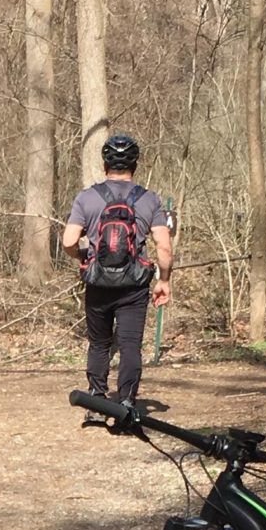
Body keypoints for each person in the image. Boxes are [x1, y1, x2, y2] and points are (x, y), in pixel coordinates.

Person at [61, 133, 175, 413]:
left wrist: (84, 257)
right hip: (133, 286)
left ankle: (97, 401)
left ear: (105, 165)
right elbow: (164, 247)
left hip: (98, 283)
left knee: (99, 343)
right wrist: (164, 280)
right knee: (129, 344)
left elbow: (68, 241)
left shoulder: (87, 198)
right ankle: (126, 404)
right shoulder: (149, 200)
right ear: (135, 164)